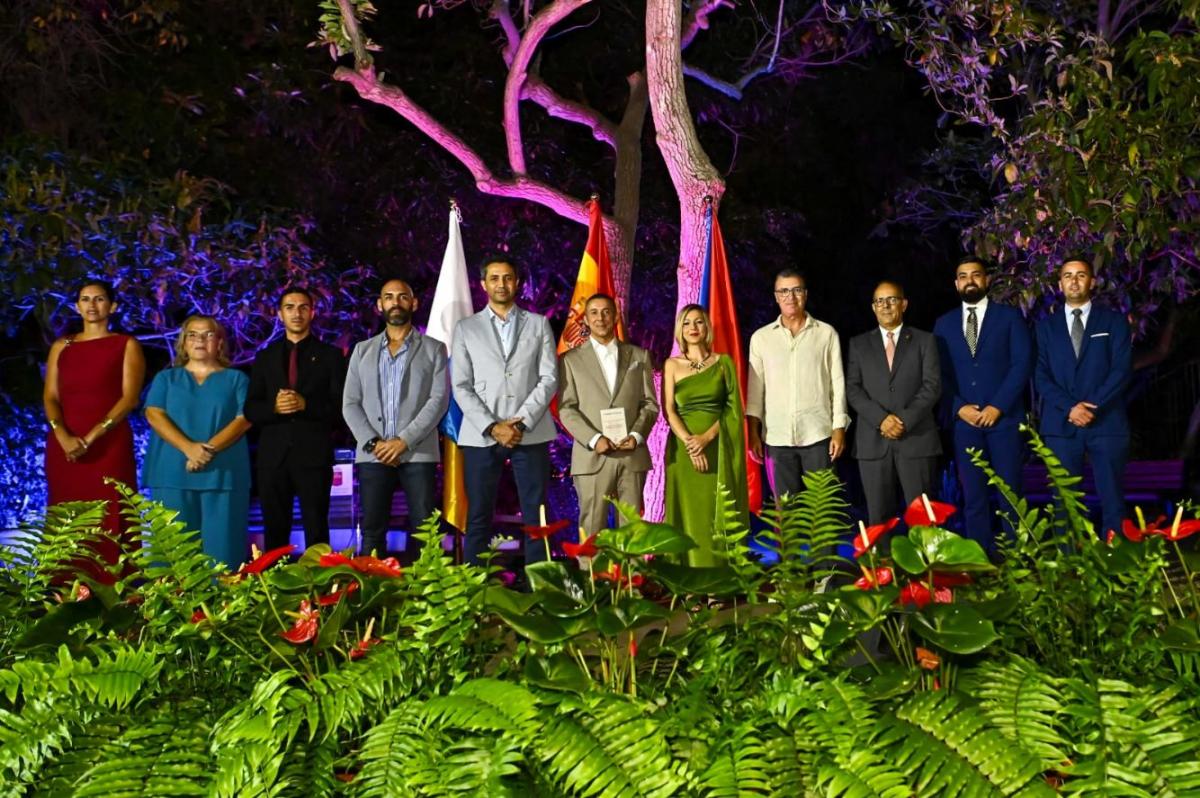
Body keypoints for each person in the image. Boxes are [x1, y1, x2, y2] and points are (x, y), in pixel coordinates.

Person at [451, 257, 558, 567]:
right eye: (494, 278)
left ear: (517, 283)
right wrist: (493, 426)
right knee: (478, 514)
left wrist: (519, 423)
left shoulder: (538, 324)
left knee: (537, 515)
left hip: (531, 431)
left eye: (508, 278)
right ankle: (475, 585)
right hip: (481, 434)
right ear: (483, 284)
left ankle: (540, 586)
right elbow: (460, 385)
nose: (501, 284)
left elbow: (549, 378)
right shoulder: (466, 328)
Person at [43, 279, 145, 574]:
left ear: (112, 306)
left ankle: (116, 587)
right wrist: (62, 435)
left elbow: (129, 399)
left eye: (99, 299)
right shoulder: (62, 346)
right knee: (67, 518)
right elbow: (50, 397)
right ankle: (64, 590)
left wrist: (90, 438)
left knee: (111, 513)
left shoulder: (126, 344)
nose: (92, 305)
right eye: (85, 299)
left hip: (109, 444)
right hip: (64, 446)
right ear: (77, 306)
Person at [343, 277, 448, 557]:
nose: (395, 302)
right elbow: (350, 404)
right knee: (372, 531)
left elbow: (438, 400)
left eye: (402, 296)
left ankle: (426, 584)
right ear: (380, 305)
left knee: (426, 532)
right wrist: (374, 443)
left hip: (418, 452)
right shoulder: (362, 350)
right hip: (373, 454)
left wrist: (404, 441)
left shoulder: (434, 349)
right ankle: (373, 585)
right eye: (388, 297)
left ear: (414, 303)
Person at [933, 258, 1033, 552]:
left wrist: (997, 406)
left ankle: (1018, 559)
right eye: (963, 276)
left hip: (1004, 421)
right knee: (973, 497)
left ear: (986, 280)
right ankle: (980, 560)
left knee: (1011, 494)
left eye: (976, 275)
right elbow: (938, 374)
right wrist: (958, 407)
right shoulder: (944, 324)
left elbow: (1022, 364)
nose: (970, 281)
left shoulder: (1009, 317)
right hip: (965, 425)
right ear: (956, 284)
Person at [1034, 257, 1132, 538]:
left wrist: (1092, 407)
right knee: (1065, 503)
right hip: (1060, 425)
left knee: (1113, 499)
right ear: (1060, 284)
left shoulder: (1114, 322)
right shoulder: (1044, 328)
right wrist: (1069, 407)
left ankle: (1115, 557)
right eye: (1067, 276)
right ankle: (1070, 561)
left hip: (1106, 423)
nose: (1074, 281)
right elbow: (1039, 374)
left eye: (1080, 275)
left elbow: (1121, 370)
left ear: (1092, 281)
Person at [143, 316, 252, 567]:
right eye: (193, 334)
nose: (200, 340)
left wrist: (206, 452)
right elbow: (154, 414)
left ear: (220, 342)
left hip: (223, 475)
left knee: (223, 556)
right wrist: (190, 449)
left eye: (208, 335)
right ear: (183, 342)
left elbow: (244, 419)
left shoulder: (237, 379)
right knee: (173, 556)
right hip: (172, 474)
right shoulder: (166, 379)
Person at [244, 286, 345, 552]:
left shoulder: (331, 356)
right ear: (279, 314)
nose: (296, 313)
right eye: (289, 308)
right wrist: (274, 408)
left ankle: (320, 579)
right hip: (273, 458)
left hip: (314, 456)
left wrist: (306, 405)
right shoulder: (264, 357)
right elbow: (251, 409)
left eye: (303, 307)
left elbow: (342, 410)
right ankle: (276, 578)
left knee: (317, 529)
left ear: (312, 313)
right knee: (274, 530)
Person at [557, 294, 660, 535]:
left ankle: (632, 565)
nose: (600, 318)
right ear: (585, 320)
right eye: (593, 312)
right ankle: (593, 565)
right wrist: (595, 439)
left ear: (615, 317)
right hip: (592, 456)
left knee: (633, 532)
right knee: (592, 531)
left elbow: (650, 404)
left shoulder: (639, 356)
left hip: (631, 454)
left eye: (606, 312)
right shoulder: (570, 360)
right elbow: (566, 408)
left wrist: (636, 435)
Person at [746, 268, 850, 500]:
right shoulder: (761, 338)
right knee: (786, 513)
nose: (790, 297)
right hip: (776, 438)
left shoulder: (826, 334)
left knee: (823, 508)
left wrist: (839, 429)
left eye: (796, 290)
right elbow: (755, 392)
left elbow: (837, 385)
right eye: (783, 291)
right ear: (776, 296)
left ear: (805, 294)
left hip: (818, 435)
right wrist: (753, 433)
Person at [846, 281, 942, 525]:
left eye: (892, 299)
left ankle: (924, 554)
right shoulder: (858, 344)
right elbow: (853, 389)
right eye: (880, 301)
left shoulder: (925, 340)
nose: (886, 306)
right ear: (873, 307)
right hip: (873, 443)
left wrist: (903, 420)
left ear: (904, 304)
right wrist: (881, 419)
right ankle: (882, 554)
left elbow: (932, 386)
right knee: (879, 519)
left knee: (923, 518)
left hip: (916, 439)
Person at [663, 304, 749, 566]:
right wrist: (691, 444)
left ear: (707, 327)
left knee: (715, 511)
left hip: (718, 447)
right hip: (683, 451)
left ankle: (719, 577)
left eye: (698, 322)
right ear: (680, 329)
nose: (693, 328)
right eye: (687, 323)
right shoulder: (672, 365)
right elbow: (669, 410)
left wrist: (706, 439)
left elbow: (734, 410)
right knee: (688, 512)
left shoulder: (723, 363)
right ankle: (689, 577)